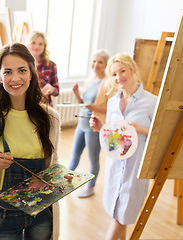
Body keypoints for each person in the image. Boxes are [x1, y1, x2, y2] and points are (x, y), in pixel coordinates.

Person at [0, 43, 60, 240]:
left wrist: (60, 181)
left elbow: (54, 166)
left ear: (31, 73)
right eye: (8, 72)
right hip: (5, 213)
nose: (15, 78)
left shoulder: (51, 118)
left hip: (42, 211)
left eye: (22, 70)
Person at [89, 53, 157, 240]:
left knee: (121, 216)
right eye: (114, 74)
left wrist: (140, 129)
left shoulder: (152, 102)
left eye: (122, 71)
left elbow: (161, 135)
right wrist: (100, 127)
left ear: (133, 70)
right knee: (118, 213)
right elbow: (113, 136)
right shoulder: (112, 103)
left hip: (136, 166)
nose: (118, 77)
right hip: (115, 165)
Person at [68, 50, 112, 198]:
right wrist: (76, 93)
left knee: (93, 158)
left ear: (106, 64)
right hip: (81, 123)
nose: (96, 64)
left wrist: (94, 108)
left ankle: (91, 187)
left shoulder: (108, 83)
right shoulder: (89, 80)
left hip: (94, 125)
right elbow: (83, 103)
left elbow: (111, 109)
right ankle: (65, 182)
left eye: (100, 62)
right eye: (94, 61)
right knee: (74, 155)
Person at [27, 31, 59, 106]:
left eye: (40, 44)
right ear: (28, 44)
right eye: (33, 43)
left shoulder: (51, 65)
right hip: (27, 106)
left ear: (44, 46)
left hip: (45, 107)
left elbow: (57, 91)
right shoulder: (22, 65)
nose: (36, 46)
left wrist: (51, 89)